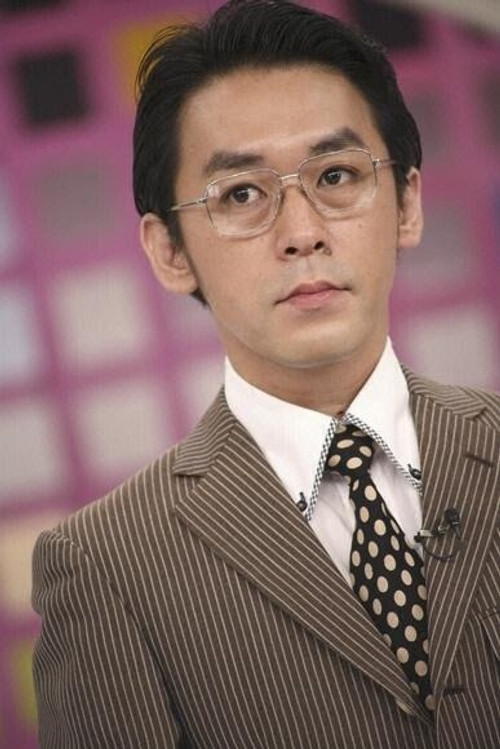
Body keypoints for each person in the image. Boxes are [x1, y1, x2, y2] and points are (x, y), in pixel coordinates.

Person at [32, 1, 499, 747]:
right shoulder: (106, 565)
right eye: (242, 194)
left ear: (407, 203)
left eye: (337, 175)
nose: (302, 232)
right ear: (170, 251)